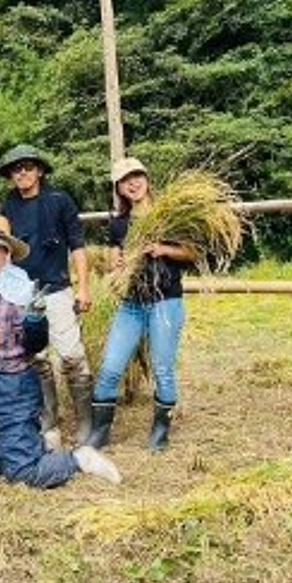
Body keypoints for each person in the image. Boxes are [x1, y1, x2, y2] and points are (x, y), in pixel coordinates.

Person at [0, 213, 121, 488]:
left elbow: (35, 345)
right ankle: (36, 446)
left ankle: (80, 459)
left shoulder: (23, 290)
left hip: (11, 387)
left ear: (6, 252)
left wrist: (35, 322)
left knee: (22, 473)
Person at [86, 158, 196, 452]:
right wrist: (117, 265)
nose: (132, 183)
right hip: (131, 305)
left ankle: (160, 431)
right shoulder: (119, 223)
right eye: (125, 180)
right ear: (119, 188)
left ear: (146, 178)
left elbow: (192, 253)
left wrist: (163, 249)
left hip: (165, 302)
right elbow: (112, 262)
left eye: (136, 176)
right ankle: (100, 432)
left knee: (162, 369)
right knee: (110, 368)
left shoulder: (169, 215)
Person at [0, 144, 93, 448]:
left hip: (57, 288)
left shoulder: (59, 200)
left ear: (39, 170)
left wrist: (83, 287)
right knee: (36, 359)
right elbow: (2, 253)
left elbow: (77, 245)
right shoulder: (8, 207)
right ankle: (48, 420)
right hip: (23, 294)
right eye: (16, 169)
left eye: (28, 167)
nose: (22, 173)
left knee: (72, 356)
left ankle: (86, 423)